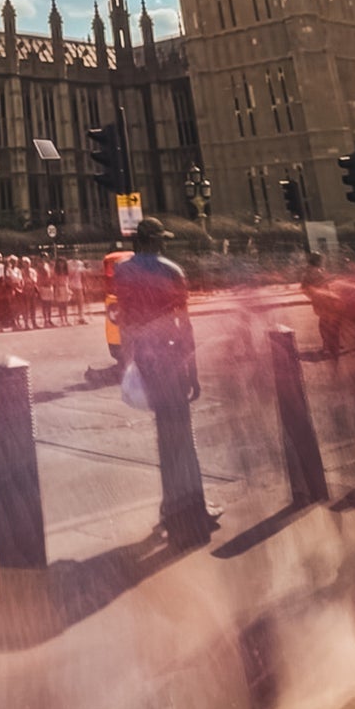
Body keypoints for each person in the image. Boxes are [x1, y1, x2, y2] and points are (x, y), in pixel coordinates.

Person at [114, 219, 219, 549]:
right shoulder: (171, 270)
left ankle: (171, 505)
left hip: (146, 359)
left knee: (165, 433)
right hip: (172, 357)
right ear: (157, 241)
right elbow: (184, 324)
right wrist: (193, 371)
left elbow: (125, 321)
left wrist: (129, 362)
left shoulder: (122, 272)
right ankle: (191, 506)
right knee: (182, 434)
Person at [301, 251, 346, 362]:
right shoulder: (312, 271)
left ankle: (330, 344)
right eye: (320, 260)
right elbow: (308, 286)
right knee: (328, 321)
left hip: (324, 299)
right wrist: (316, 294)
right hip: (322, 300)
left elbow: (307, 287)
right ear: (317, 261)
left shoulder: (312, 271)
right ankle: (330, 345)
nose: (322, 262)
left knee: (326, 321)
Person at [52, 255, 72, 325]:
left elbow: (68, 280)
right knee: (60, 305)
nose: (61, 264)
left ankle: (66, 319)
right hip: (59, 288)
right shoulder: (56, 272)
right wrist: (57, 290)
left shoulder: (66, 271)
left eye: (63, 263)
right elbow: (56, 282)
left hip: (66, 288)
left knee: (65, 305)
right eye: (60, 263)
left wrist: (69, 289)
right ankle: (61, 320)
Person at [36, 255, 55, 327]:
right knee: (44, 304)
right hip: (43, 287)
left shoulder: (47, 265)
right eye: (43, 257)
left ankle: (49, 320)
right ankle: (45, 321)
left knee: (49, 304)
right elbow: (40, 277)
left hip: (49, 286)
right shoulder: (39, 266)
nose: (44, 258)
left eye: (46, 257)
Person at [67, 256, 86, 322]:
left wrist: (84, 285)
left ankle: (81, 317)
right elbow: (67, 274)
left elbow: (83, 275)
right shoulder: (68, 263)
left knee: (80, 302)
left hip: (79, 285)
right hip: (70, 284)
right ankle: (72, 318)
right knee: (71, 302)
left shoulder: (80, 263)